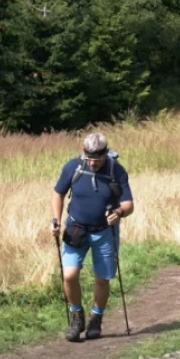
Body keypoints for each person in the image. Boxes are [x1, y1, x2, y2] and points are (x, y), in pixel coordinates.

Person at [51, 133, 134, 342]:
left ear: (106, 153)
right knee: (69, 275)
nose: (92, 163)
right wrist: (56, 220)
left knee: (103, 279)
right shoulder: (73, 167)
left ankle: (96, 319)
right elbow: (58, 193)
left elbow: (128, 204)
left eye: (97, 159)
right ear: (83, 152)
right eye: (89, 158)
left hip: (105, 232)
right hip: (76, 229)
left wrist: (120, 213)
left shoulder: (116, 170)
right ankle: (76, 317)